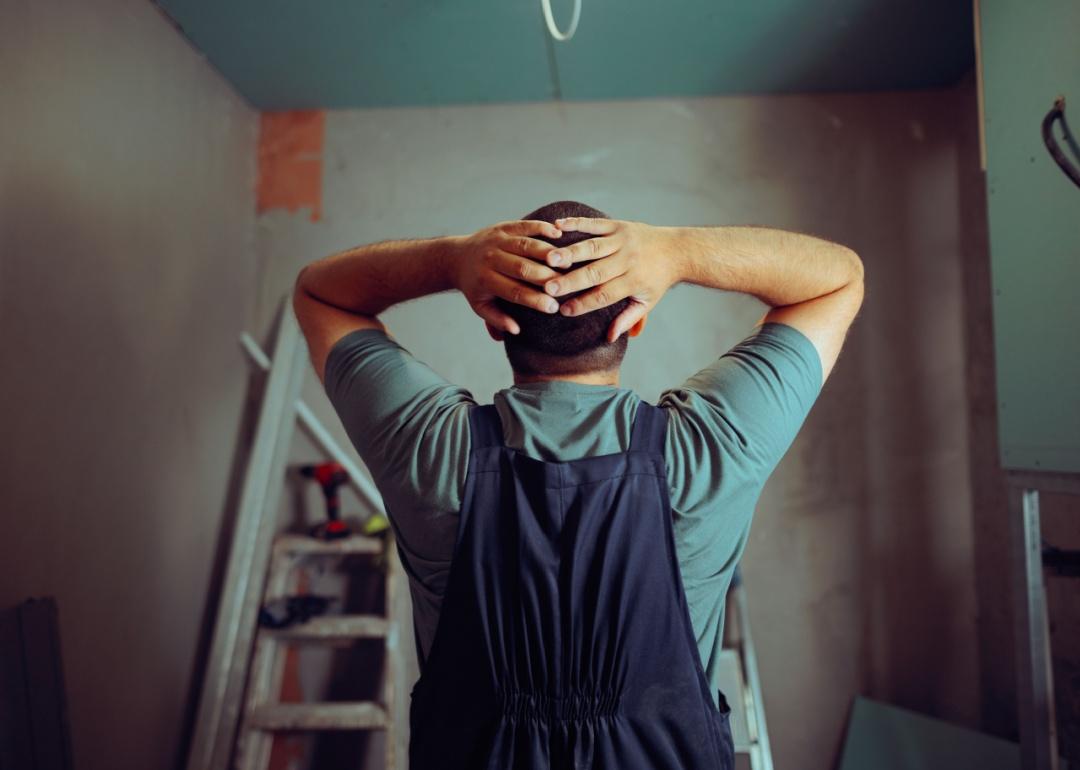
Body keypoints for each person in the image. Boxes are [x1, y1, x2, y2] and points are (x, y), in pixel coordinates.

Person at [292, 200, 864, 769]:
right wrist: (675, 253)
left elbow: (320, 293)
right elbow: (838, 280)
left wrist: (453, 259)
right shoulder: (704, 449)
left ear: (494, 322)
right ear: (635, 320)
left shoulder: (432, 449)